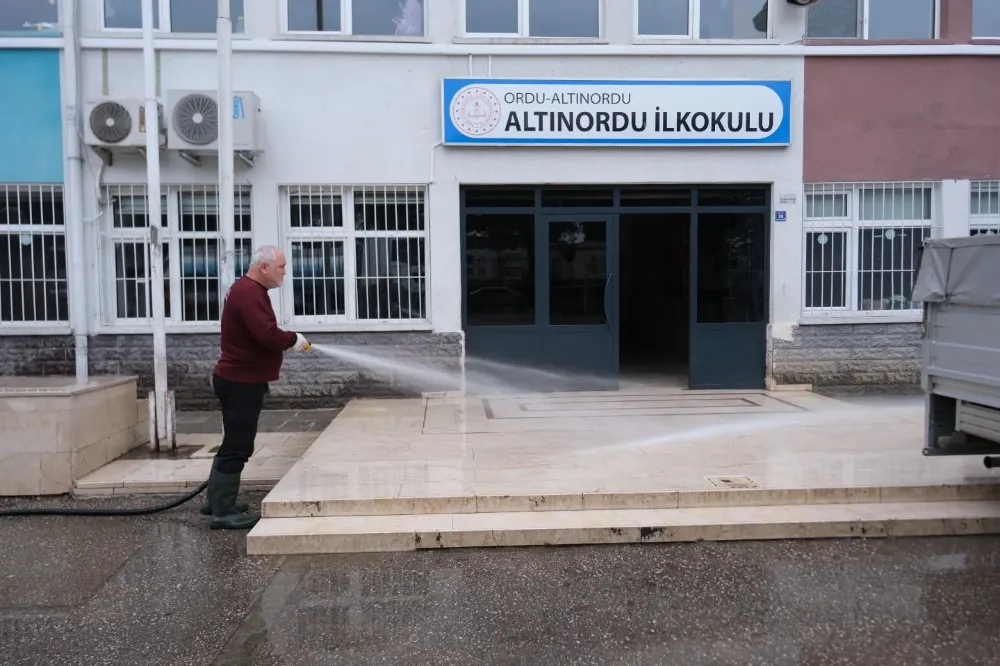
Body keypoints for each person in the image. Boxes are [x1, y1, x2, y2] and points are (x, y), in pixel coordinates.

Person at [204, 245, 309, 530]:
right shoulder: (249, 293)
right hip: (241, 381)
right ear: (264, 267)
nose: (285, 272)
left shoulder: (247, 289)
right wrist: (293, 340)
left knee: (233, 442)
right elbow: (266, 333)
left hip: (240, 379)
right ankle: (223, 512)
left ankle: (216, 501)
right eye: (281, 267)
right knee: (238, 445)